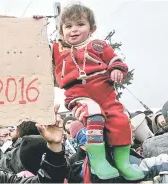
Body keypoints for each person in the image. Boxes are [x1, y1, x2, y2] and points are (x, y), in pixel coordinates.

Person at [51, 3, 145, 181]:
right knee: (94, 116)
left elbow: (114, 60)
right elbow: (35, 50)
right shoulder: (58, 49)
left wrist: (117, 69)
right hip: (79, 93)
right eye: (68, 26)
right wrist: (36, 25)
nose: (74, 30)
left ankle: (123, 162)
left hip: (105, 92)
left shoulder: (99, 45)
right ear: (62, 31)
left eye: (80, 24)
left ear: (92, 28)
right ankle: (98, 159)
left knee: (121, 120)